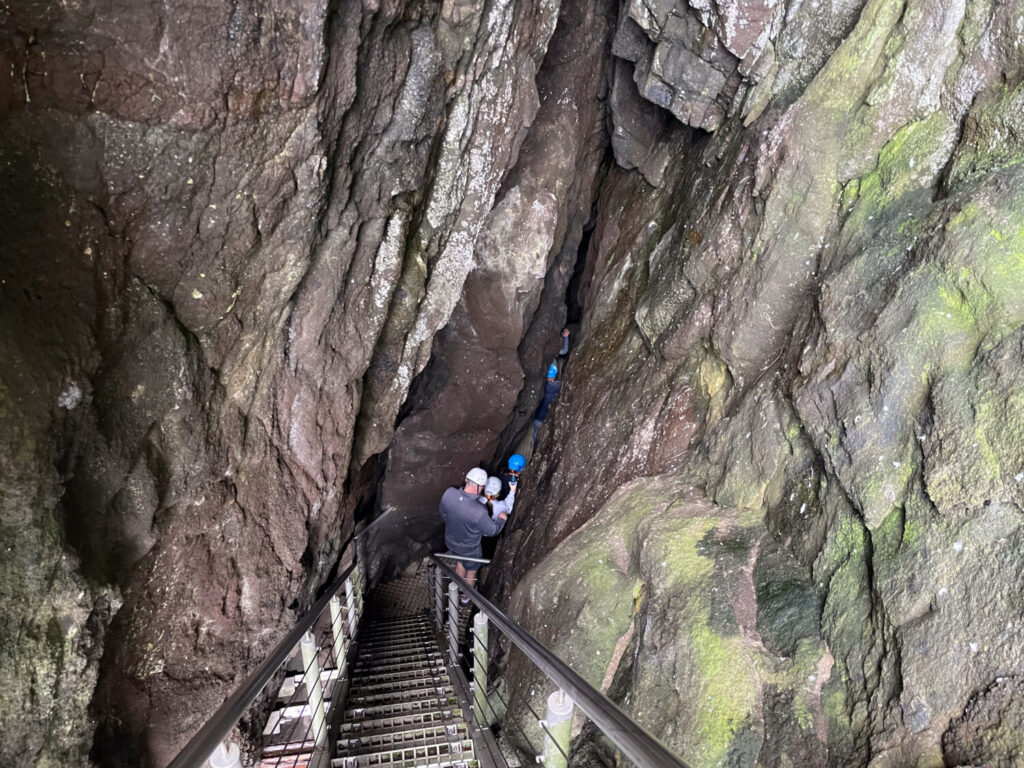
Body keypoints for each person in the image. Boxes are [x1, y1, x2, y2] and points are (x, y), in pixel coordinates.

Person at [438, 467, 508, 601]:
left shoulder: (449, 493)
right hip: (470, 549)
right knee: (471, 570)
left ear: (466, 479)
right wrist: (501, 519)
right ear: (481, 487)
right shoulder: (479, 511)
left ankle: (457, 589)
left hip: (451, 541)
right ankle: (465, 598)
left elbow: (443, 514)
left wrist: (458, 524)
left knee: (460, 563)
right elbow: (492, 531)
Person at [532, 363, 562, 447]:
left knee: (536, 432)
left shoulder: (541, 387)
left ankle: (534, 447)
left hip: (539, 417)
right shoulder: (559, 386)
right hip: (550, 416)